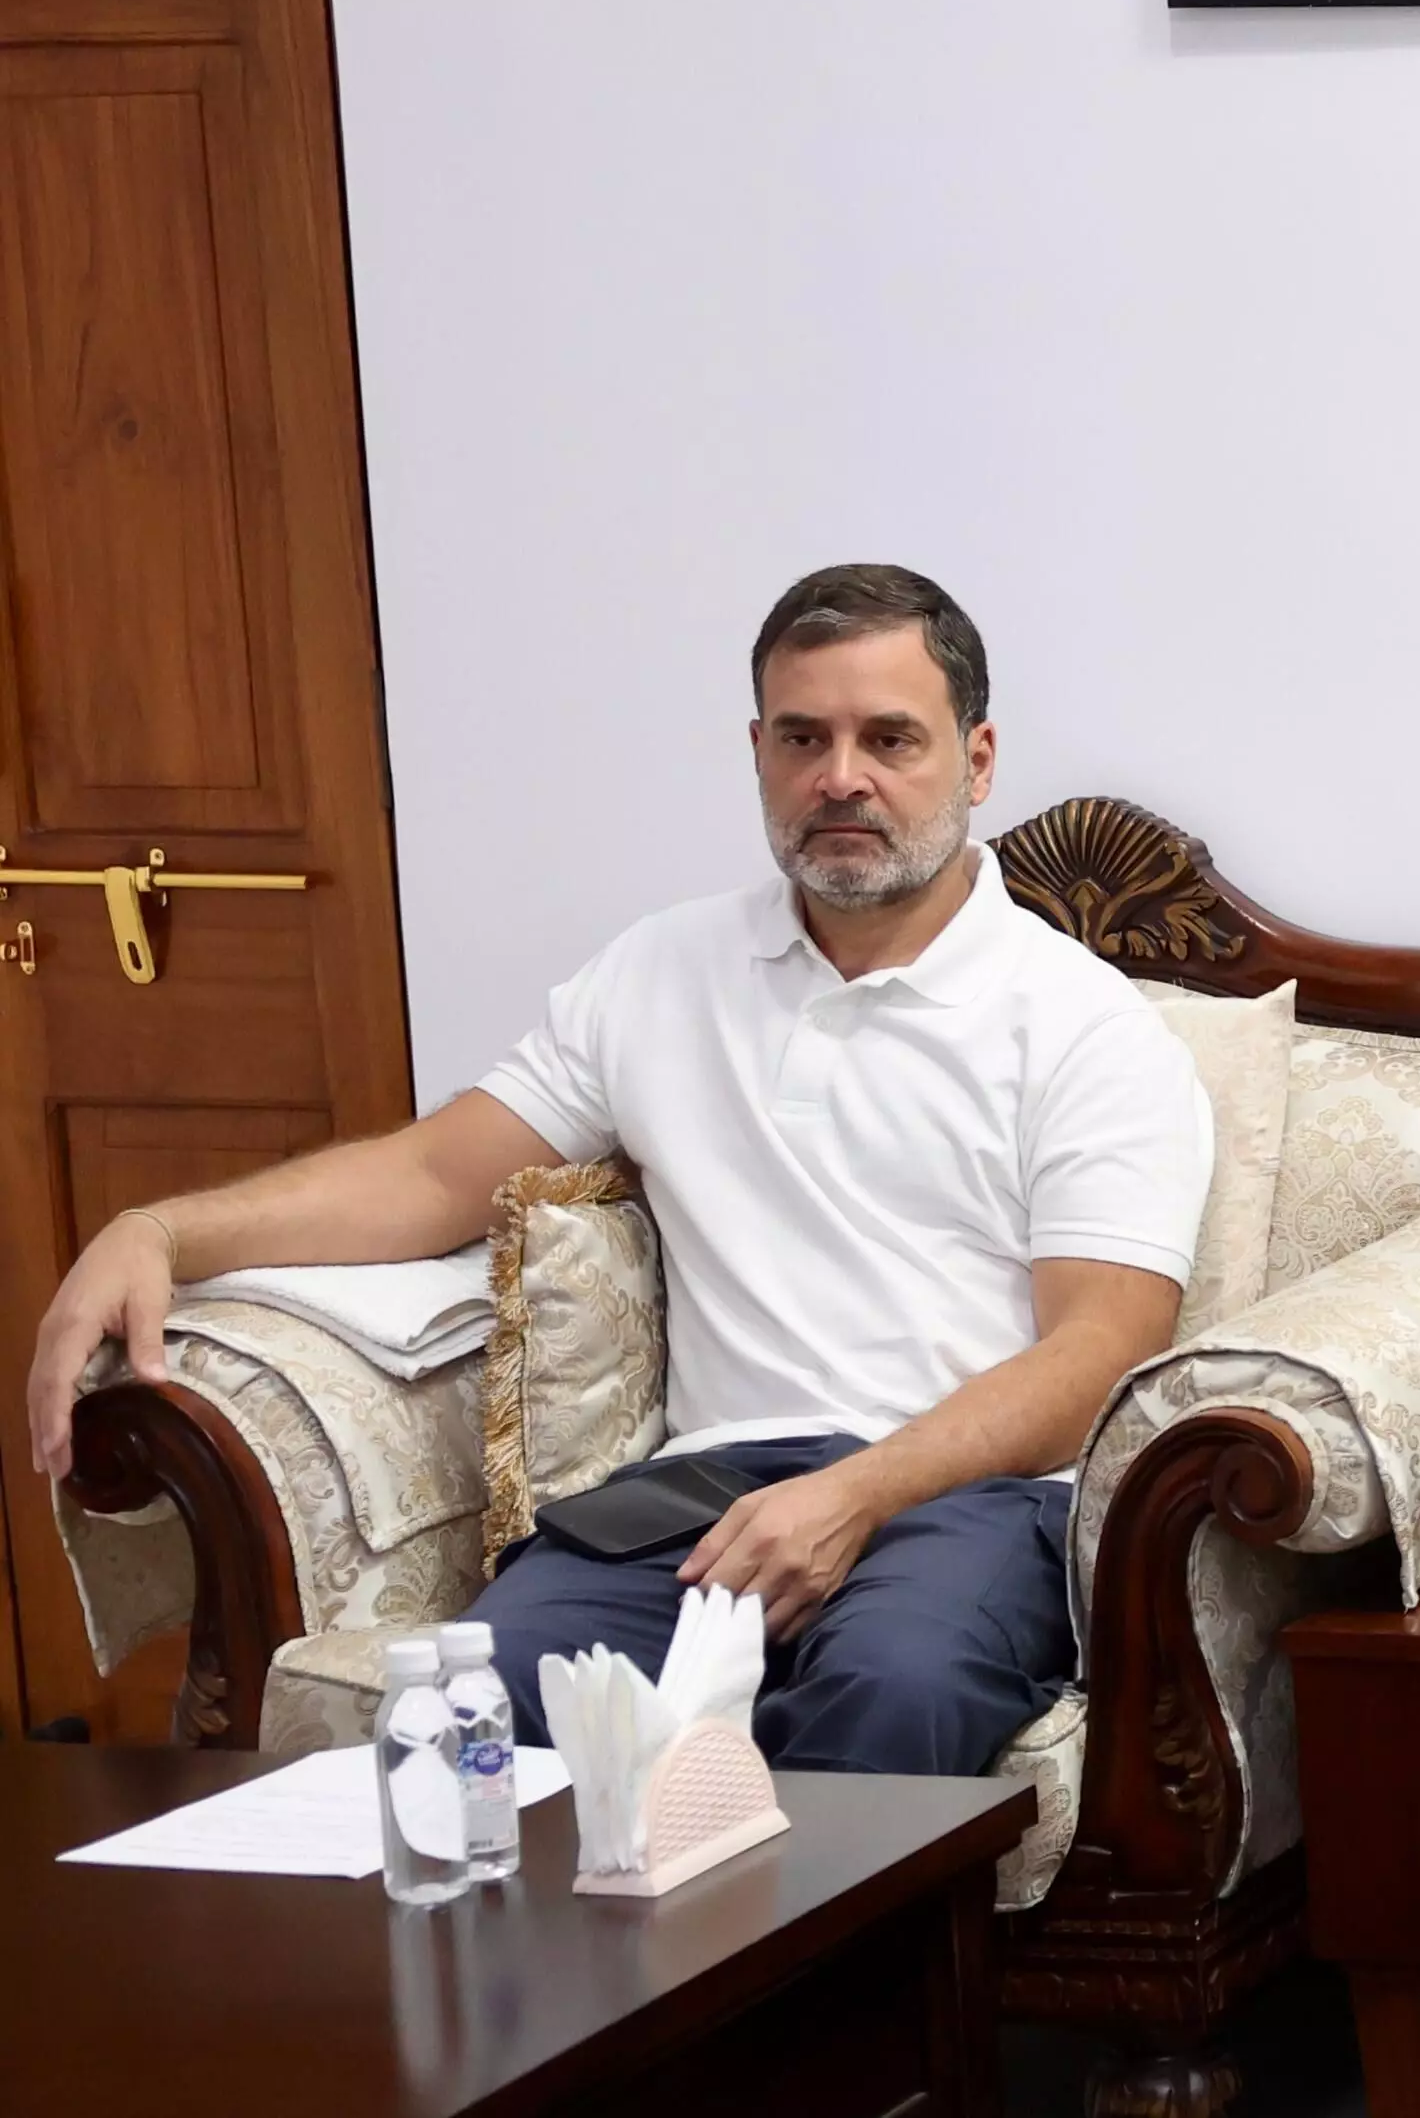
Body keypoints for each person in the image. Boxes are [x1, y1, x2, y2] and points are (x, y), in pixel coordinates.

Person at [24, 565, 1204, 1777]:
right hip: (700, 1496)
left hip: (970, 1499)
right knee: (479, 1714)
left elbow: (1098, 1350)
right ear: (758, 752)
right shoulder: (662, 971)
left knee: (893, 1691)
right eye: (803, 737)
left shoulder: (1084, 1027)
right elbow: (432, 1175)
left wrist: (858, 1492)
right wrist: (160, 1232)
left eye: (889, 738)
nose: (840, 776)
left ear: (977, 758)